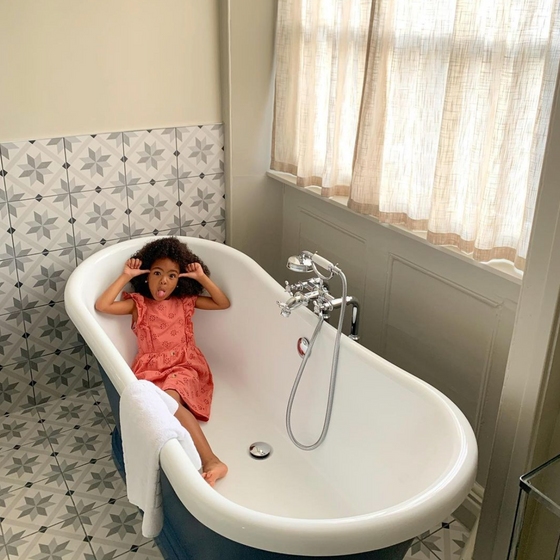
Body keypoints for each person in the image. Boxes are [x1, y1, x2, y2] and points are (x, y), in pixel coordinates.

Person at [95, 237, 230, 486]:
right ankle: (174, 463)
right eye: (157, 273)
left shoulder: (185, 303)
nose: (164, 281)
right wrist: (125, 275)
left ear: (180, 280)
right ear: (147, 276)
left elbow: (223, 303)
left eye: (172, 275)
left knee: (170, 397)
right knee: (157, 410)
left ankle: (211, 459)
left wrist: (201, 278)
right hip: (150, 370)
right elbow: (102, 305)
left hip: (185, 365)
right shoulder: (139, 306)